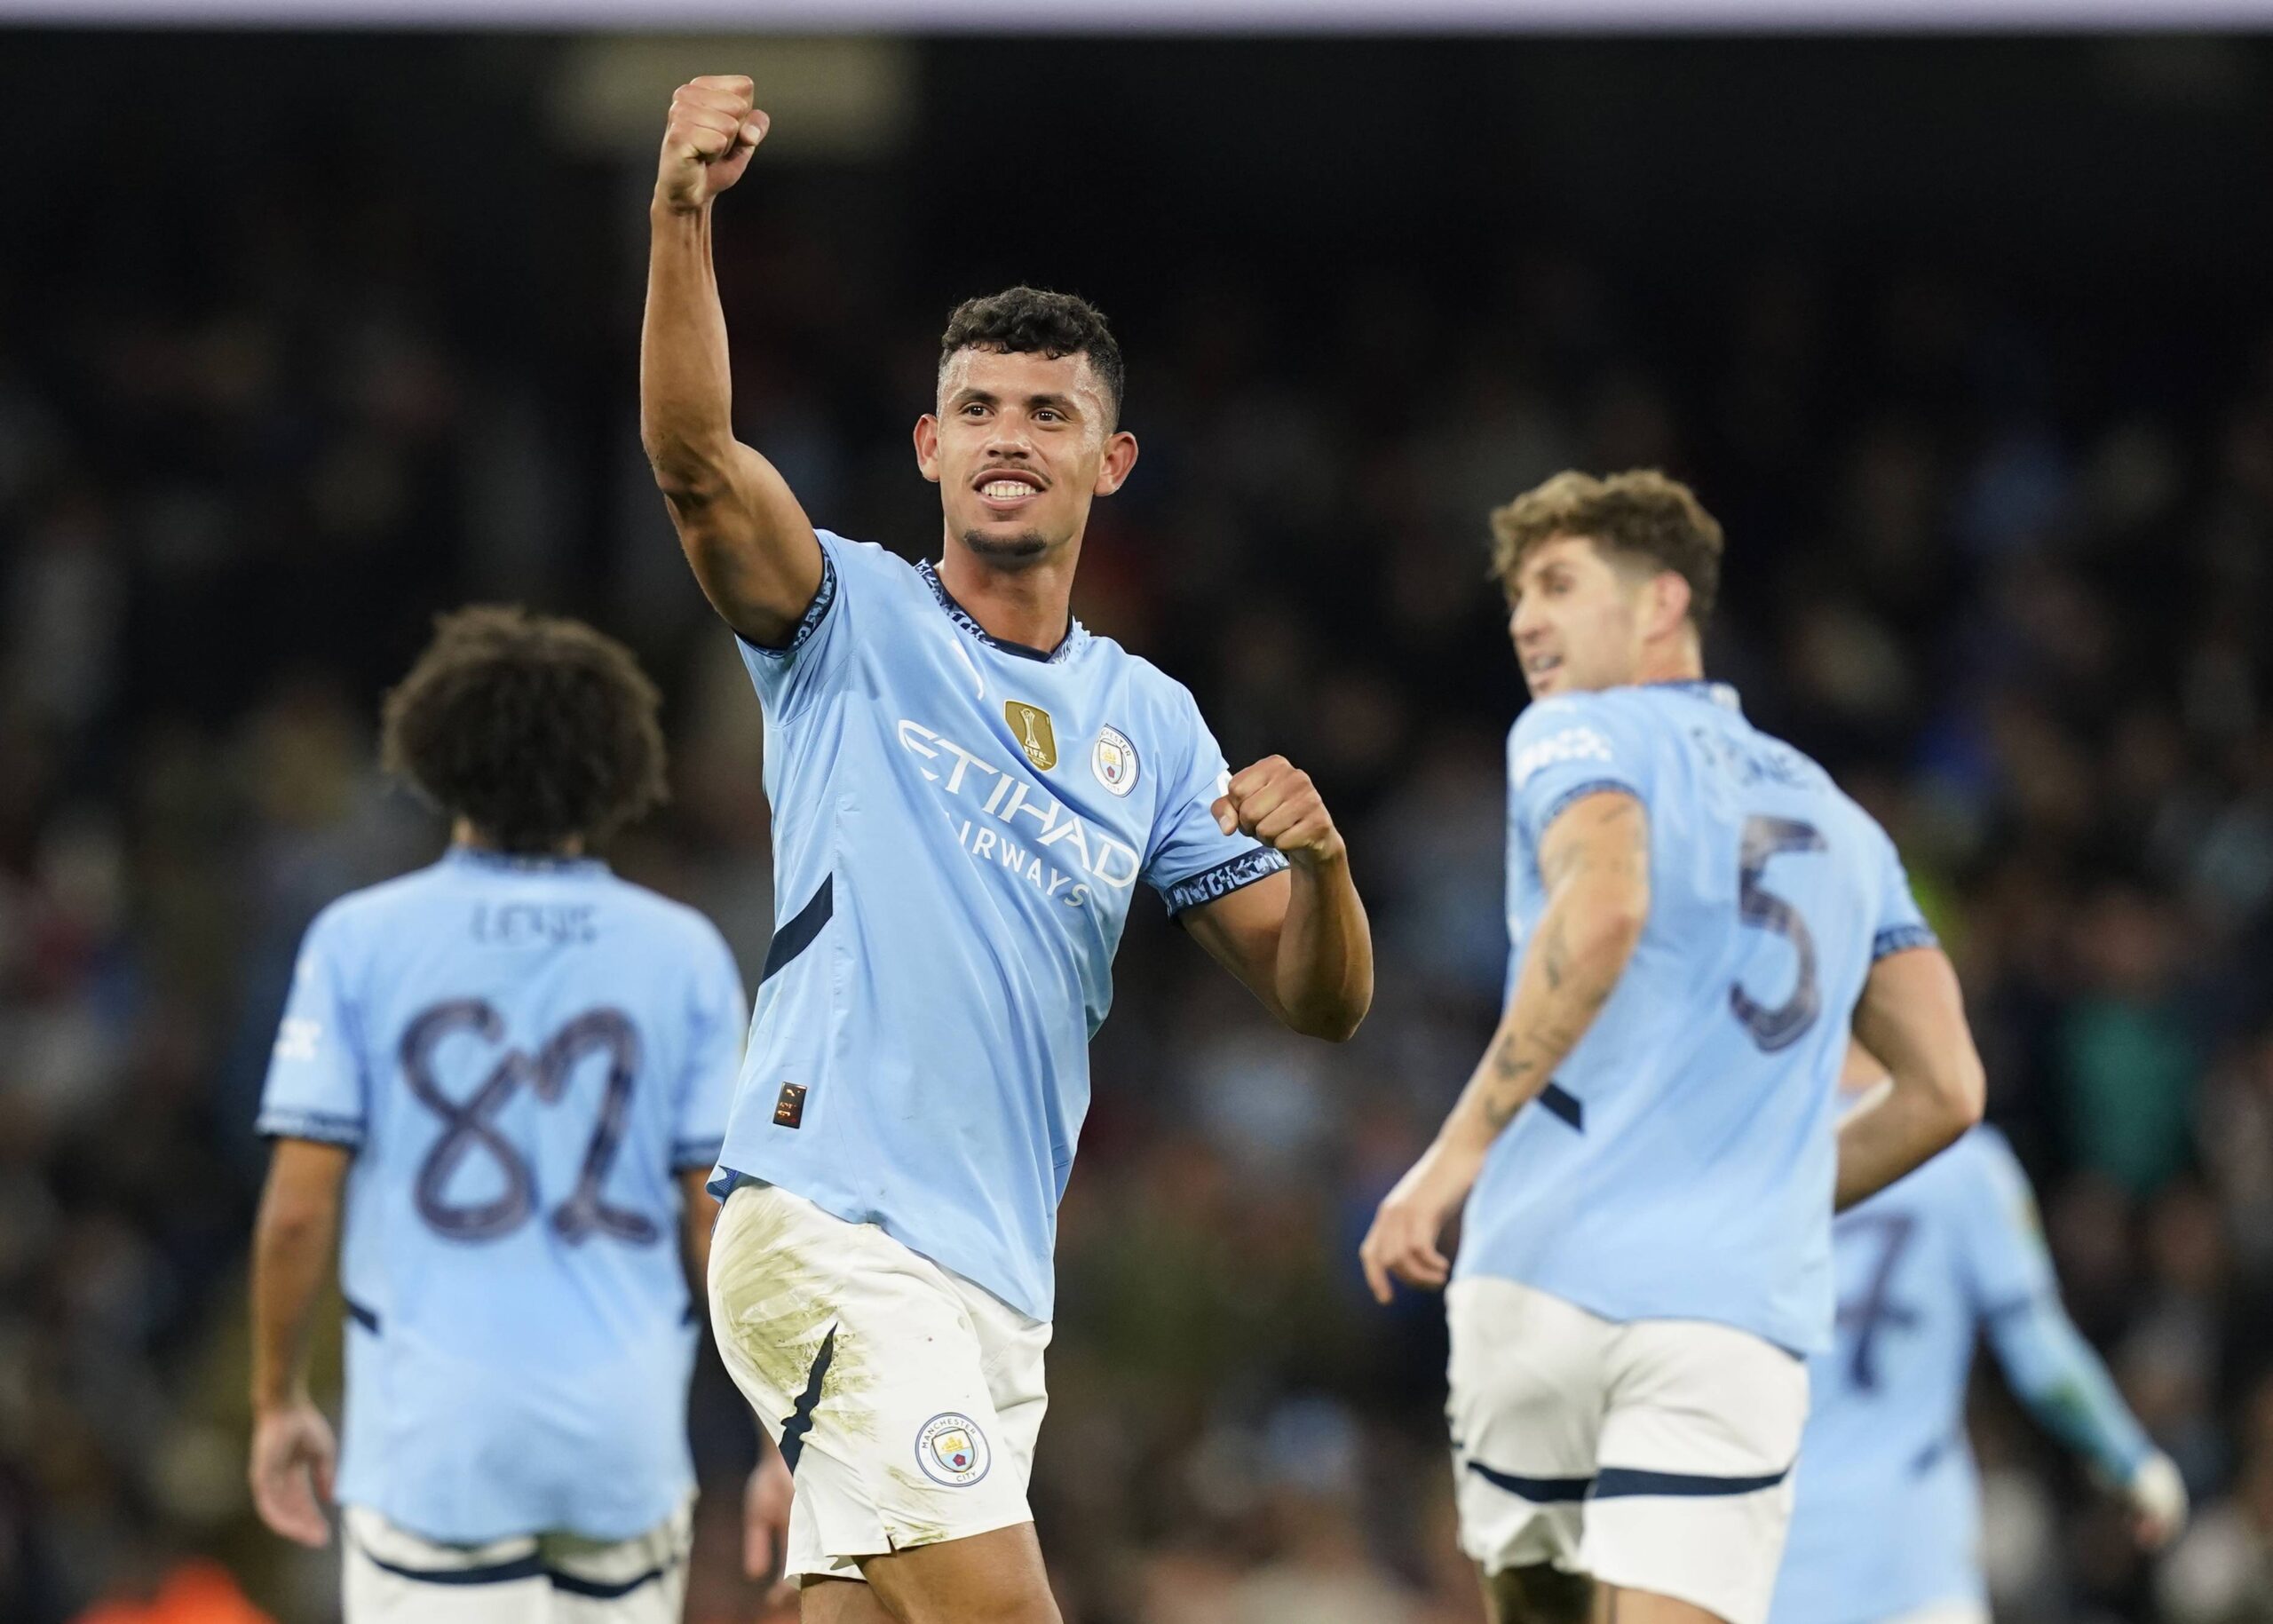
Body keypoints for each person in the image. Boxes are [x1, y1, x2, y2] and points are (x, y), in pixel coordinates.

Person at [640, 75, 1374, 1624]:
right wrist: (683, 213)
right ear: (926, 446)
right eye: (977, 408)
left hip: (992, 1285)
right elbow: (698, 457)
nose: (1008, 438)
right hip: (833, 1224)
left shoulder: (1154, 728)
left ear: (1111, 462)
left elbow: (1319, 1003)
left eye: (1050, 413)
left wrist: (1324, 869)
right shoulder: (848, 617)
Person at [1358, 470, 1985, 1624]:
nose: (1524, 619)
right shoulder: (1847, 824)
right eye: (1515, 596)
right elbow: (1947, 1088)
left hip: (1541, 1279)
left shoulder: (1573, 731)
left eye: (1557, 584)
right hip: (1727, 1314)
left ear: (1660, 605)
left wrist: (1453, 1155)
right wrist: (1775, 1190)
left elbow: (1600, 912)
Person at [246, 606, 793, 1622]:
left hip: (432, 1453)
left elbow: (293, 1212)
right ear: (615, 768)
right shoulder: (683, 954)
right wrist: (780, 1439)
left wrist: (277, 1399)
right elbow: (723, 1223)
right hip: (620, 1452)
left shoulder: (357, 942)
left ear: (436, 756)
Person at [1769, 1057, 2189, 1624]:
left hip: (1771, 1562)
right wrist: (2131, 1460)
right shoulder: (1966, 1163)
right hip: (1913, 1563)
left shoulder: (1761, 1158)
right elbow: (2041, 1355)